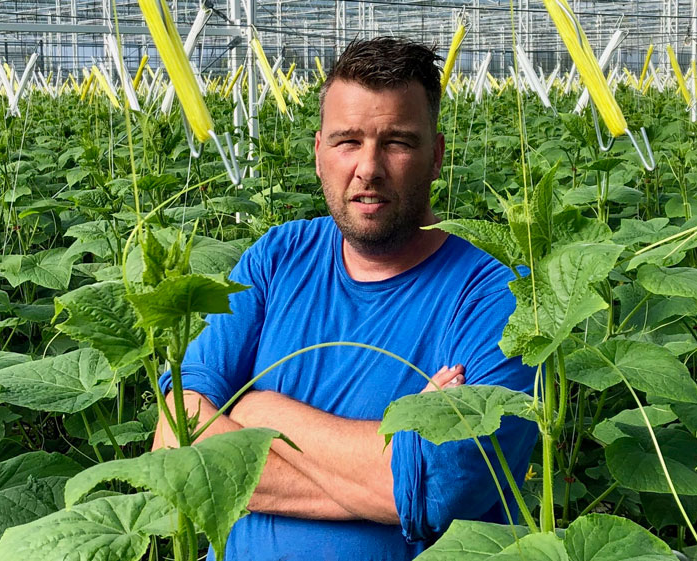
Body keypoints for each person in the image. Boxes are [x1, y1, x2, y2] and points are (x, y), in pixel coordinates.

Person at [154, 37, 536, 561]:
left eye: (398, 141)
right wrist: (391, 466)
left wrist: (262, 410)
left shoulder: (496, 291)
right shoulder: (279, 256)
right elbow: (176, 440)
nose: (368, 167)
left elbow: (446, 488)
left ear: (437, 155)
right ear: (318, 153)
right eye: (347, 141)